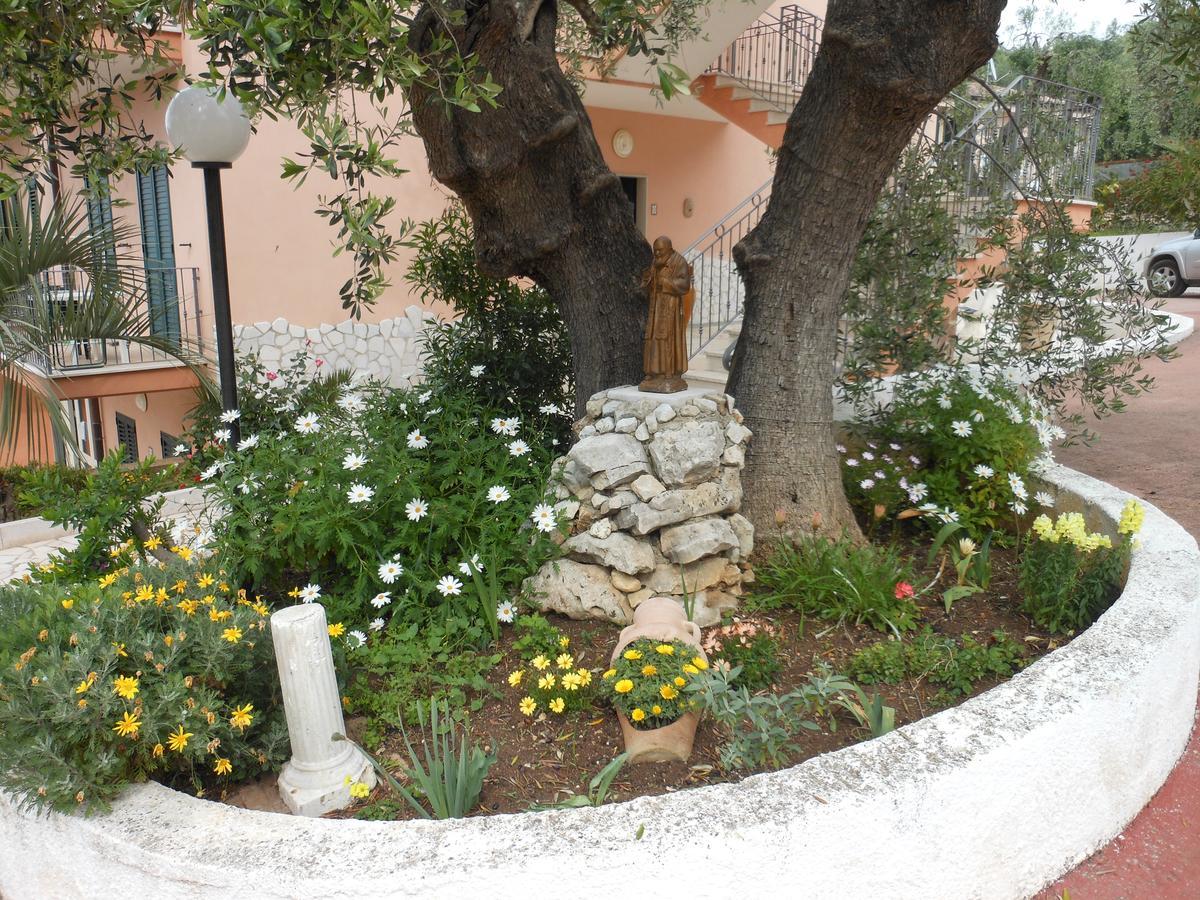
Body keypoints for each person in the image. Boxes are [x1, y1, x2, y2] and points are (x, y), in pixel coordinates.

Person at [639, 235, 691, 393]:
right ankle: (652, 373)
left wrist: (667, 283)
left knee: (668, 338)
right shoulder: (656, 262)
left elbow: (685, 285)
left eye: (660, 251)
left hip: (670, 308)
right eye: (655, 252)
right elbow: (650, 280)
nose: (658, 255)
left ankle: (669, 373)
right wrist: (647, 281)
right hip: (656, 306)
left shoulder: (679, 262)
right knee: (652, 337)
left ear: (669, 249)